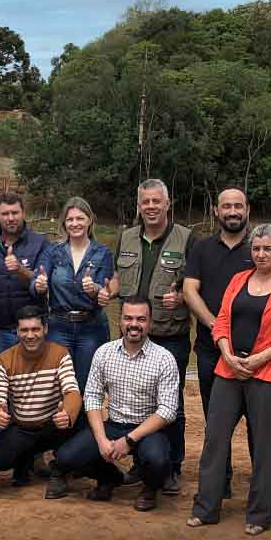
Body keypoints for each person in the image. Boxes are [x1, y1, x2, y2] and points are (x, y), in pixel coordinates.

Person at [187, 225, 271, 535]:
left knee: (263, 444)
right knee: (215, 439)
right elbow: (222, 321)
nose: (261, 254)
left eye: (268, 249)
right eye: (256, 249)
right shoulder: (239, 280)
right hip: (228, 369)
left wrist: (256, 359)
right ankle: (206, 508)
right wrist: (227, 353)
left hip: (267, 374)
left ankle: (258, 514)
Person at [47, 297, 179, 512]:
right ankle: (110, 478)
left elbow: (167, 410)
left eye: (140, 319)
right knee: (68, 456)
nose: (134, 324)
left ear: (150, 322)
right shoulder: (104, 353)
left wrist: (128, 440)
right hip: (114, 424)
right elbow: (92, 396)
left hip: (147, 429)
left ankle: (149, 489)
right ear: (120, 320)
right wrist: (101, 440)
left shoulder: (164, 359)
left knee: (158, 460)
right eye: (128, 318)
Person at [110, 178, 194, 495]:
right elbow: (119, 277)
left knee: (172, 406)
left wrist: (183, 298)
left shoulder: (186, 238)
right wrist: (106, 290)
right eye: (145, 202)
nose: (151, 207)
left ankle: (171, 468)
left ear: (168, 203)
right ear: (139, 205)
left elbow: (195, 283)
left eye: (157, 201)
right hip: (133, 334)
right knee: (134, 403)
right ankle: (140, 465)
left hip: (170, 334)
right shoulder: (127, 237)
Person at [182, 186, 254, 498]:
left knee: (258, 424)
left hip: (255, 354)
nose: (233, 211)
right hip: (212, 351)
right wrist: (215, 326)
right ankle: (218, 482)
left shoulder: (258, 248)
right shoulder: (202, 248)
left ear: (247, 210)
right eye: (227, 206)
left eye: (238, 206)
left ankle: (262, 487)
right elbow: (189, 290)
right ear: (216, 211)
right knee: (216, 423)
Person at [0, 306, 82, 483]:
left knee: (78, 432)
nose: (30, 335)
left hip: (53, 425)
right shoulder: (3, 360)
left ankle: (60, 467)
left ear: (45, 329)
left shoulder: (60, 354)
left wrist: (67, 413)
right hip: (23, 428)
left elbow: (71, 390)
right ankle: (26, 457)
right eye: (24, 330)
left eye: (35, 329)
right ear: (17, 332)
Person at [32, 196, 113, 396]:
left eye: (80, 218)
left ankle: (86, 427)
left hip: (91, 327)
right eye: (70, 219)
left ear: (89, 220)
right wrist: (40, 285)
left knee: (88, 386)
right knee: (60, 385)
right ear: (64, 223)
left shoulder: (102, 253)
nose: (75, 223)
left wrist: (94, 289)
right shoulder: (53, 251)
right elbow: (35, 284)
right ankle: (62, 426)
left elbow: (105, 290)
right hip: (59, 325)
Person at [0, 191, 49, 354]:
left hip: (32, 329)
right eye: (5, 213)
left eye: (15, 213)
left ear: (23, 213)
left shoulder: (40, 243)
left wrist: (19, 269)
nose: (11, 218)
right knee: (0, 377)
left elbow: (41, 285)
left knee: (33, 378)